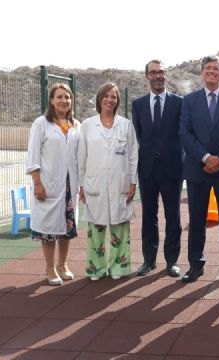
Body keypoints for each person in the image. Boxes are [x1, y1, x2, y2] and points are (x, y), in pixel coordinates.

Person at [179, 55, 219, 284]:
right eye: (208, 68)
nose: (212, 72)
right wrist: (205, 157)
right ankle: (195, 264)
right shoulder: (189, 100)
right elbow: (185, 133)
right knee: (196, 219)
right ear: (202, 72)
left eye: (216, 69)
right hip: (198, 169)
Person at [78, 82, 138, 281]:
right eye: (106, 96)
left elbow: (133, 156)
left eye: (113, 96)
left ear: (117, 101)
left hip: (120, 183)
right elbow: (81, 157)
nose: (110, 100)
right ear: (99, 98)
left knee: (120, 227)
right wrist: (81, 185)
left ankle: (119, 267)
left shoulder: (126, 125)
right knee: (96, 228)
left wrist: (132, 182)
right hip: (94, 183)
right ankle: (96, 268)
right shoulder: (87, 125)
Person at [132, 60, 183, 278]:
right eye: (153, 72)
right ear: (147, 76)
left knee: (173, 217)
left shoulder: (179, 103)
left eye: (161, 72)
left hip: (172, 169)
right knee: (148, 217)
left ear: (166, 75)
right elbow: (139, 136)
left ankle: (171, 262)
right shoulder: (138, 105)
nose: (158, 76)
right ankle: (149, 261)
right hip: (148, 170)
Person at [26, 83, 80, 286]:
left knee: (66, 228)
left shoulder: (76, 125)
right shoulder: (41, 124)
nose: (64, 101)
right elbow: (33, 156)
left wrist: (81, 185)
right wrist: (37, 183)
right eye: (59, 97)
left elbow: (79, 157)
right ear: (51, 100)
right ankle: (49, 268)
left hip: (70, 185)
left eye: (67, 97)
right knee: (48, 230)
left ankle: (62, 264)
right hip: (48, 184)